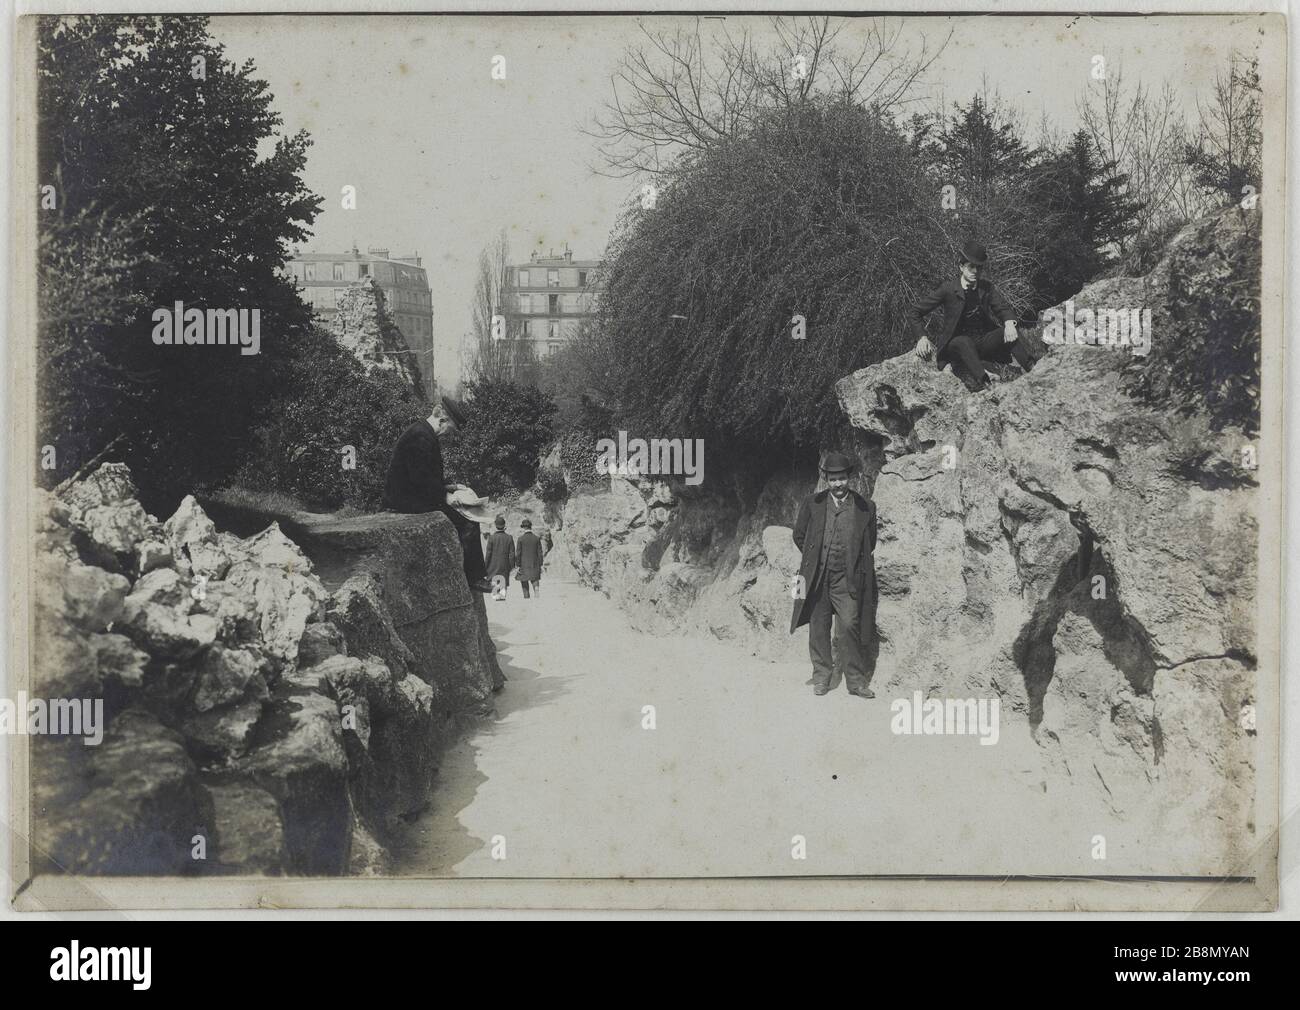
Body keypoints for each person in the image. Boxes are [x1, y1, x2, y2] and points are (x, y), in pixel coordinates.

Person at [790, 452, 877, 699]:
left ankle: (856, 682)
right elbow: (799, 535)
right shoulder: (812, 503)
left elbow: (870, 543)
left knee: (849, 626)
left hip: (847, 579)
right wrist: (814, 559)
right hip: (817, 578)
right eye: (832, 479)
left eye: (842, 479)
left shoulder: (866, 507)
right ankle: (821, 677)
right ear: (826, 479)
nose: (837, 484)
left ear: (849, 477)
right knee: (818, 627)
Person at [383, 396, 491, 592]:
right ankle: (474, 578)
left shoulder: (422, 432)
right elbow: (420, 478)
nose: (447, 434)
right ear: (442, 419)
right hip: (406, 500)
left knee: (465, 513)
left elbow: (424, 476)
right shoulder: (421, 436)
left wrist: (451, 487)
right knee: (467, 520)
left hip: (409, 494)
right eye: (449, 429)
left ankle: (474, 576)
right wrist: (446, 497)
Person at [909, 239, 1035, 392]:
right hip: (955, 347)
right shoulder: (948, 289)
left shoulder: (986, 288)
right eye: (971, 267)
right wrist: (921, 337)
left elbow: (1002, 308)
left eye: (979, 268)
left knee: (1009, 331)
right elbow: (915, 312)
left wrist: (1009, 323)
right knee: (963, 341)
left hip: (982, 343)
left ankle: (1034, 370)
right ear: (961, 266)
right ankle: (986, 383)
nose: (975, 272)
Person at [484, 516, 515, 601]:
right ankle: (502, 596)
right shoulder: (509, 537)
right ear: (504, 525)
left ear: (495, 525)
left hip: (493, 565)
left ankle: (496, 596)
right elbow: (512, 554)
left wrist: (485, 567)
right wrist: (511, 566)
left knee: (495, 579)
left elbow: (488, 554)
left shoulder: (491, 538)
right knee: (503, 580)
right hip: (505, 565)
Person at [515, 518, 547, 599]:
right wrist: (541, 564)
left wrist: (518, 565)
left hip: (523, 564)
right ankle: (536, 588)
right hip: (534, 563)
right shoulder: (536, 538)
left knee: (524, 581)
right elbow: (540, 553)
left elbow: (518, 553)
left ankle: (526, 597)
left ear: (523, 528)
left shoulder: (520, 539)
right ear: (530, 527)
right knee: (535, 578)